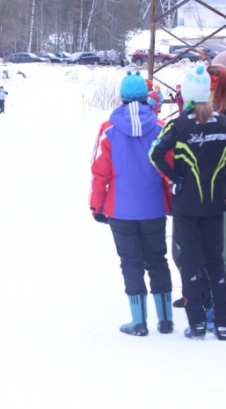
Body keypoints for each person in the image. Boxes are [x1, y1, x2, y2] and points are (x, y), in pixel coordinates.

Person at [90, 71, 173, 337]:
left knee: (131, 262)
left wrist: (96, 205)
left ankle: (139, 322)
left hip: (120, 209)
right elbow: (169, 170)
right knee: (158, 260)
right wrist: (170, 204)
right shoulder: (161, 127)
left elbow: (99, 171)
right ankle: (166, 319)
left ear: (122, 97)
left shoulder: (108, 130)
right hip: (154, 208)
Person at [150, 66, 226, 340]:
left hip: (186, 203)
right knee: (216, 261)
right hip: (215, 202)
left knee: (191, 261)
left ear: (186, 93)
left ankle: (196, 325)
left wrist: (174, 178)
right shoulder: (222, 122)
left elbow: (155, 152)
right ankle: (222, 323)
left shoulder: (179, 124)